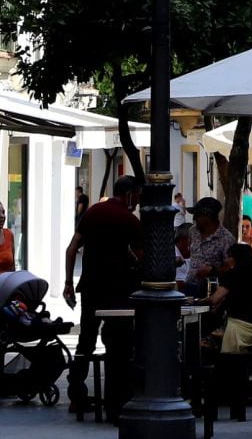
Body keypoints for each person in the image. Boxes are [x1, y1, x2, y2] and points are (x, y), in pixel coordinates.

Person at [62, 175, 142, 423]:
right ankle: (117, 399)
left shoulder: (94, 212)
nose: (137, 203)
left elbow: (72, 247)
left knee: (85, 340)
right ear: (129, 194)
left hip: (91, 287)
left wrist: (68, 283)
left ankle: (76, 395)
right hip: (118, 290)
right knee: (119, 344)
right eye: (137, 197)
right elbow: (141, 257)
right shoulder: (129, 220)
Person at [208, 243, 252, 353]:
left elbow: (214, 299)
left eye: (229, 257)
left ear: (236, 258)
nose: (226, 260)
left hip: (241, 328)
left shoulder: (232, 275)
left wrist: (197, 301)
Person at [186, 197, 236, 297]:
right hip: (190, 286)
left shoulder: (226, 239)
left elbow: (231, 269)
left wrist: (213, 270)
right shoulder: (193, 231)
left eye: (197, 215)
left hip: (212, 291)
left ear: (207, 217)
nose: (194, 218)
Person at [0, 202, 15, 273]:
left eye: (3, 212)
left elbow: (12, 267)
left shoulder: (9, 234)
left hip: (7, 283)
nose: (2, 216)